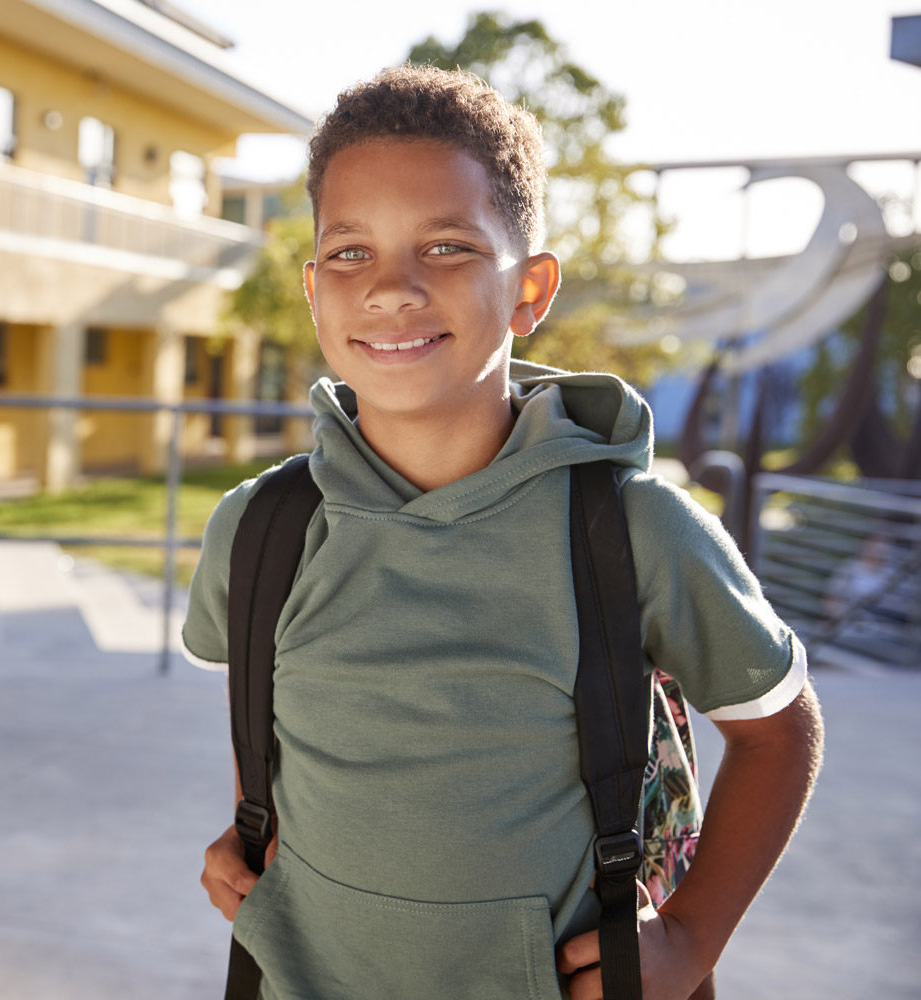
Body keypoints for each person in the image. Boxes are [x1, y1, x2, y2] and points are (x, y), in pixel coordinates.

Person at [183, 65, 824, 1000]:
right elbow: (262, 701)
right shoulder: (260, 528)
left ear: (529, 290)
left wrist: (690, 940)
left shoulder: (631, 527)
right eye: (352, 253)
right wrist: (256, 822)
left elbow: (779, 731)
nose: (392, 289)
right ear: (315, 290)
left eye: (445, 247)